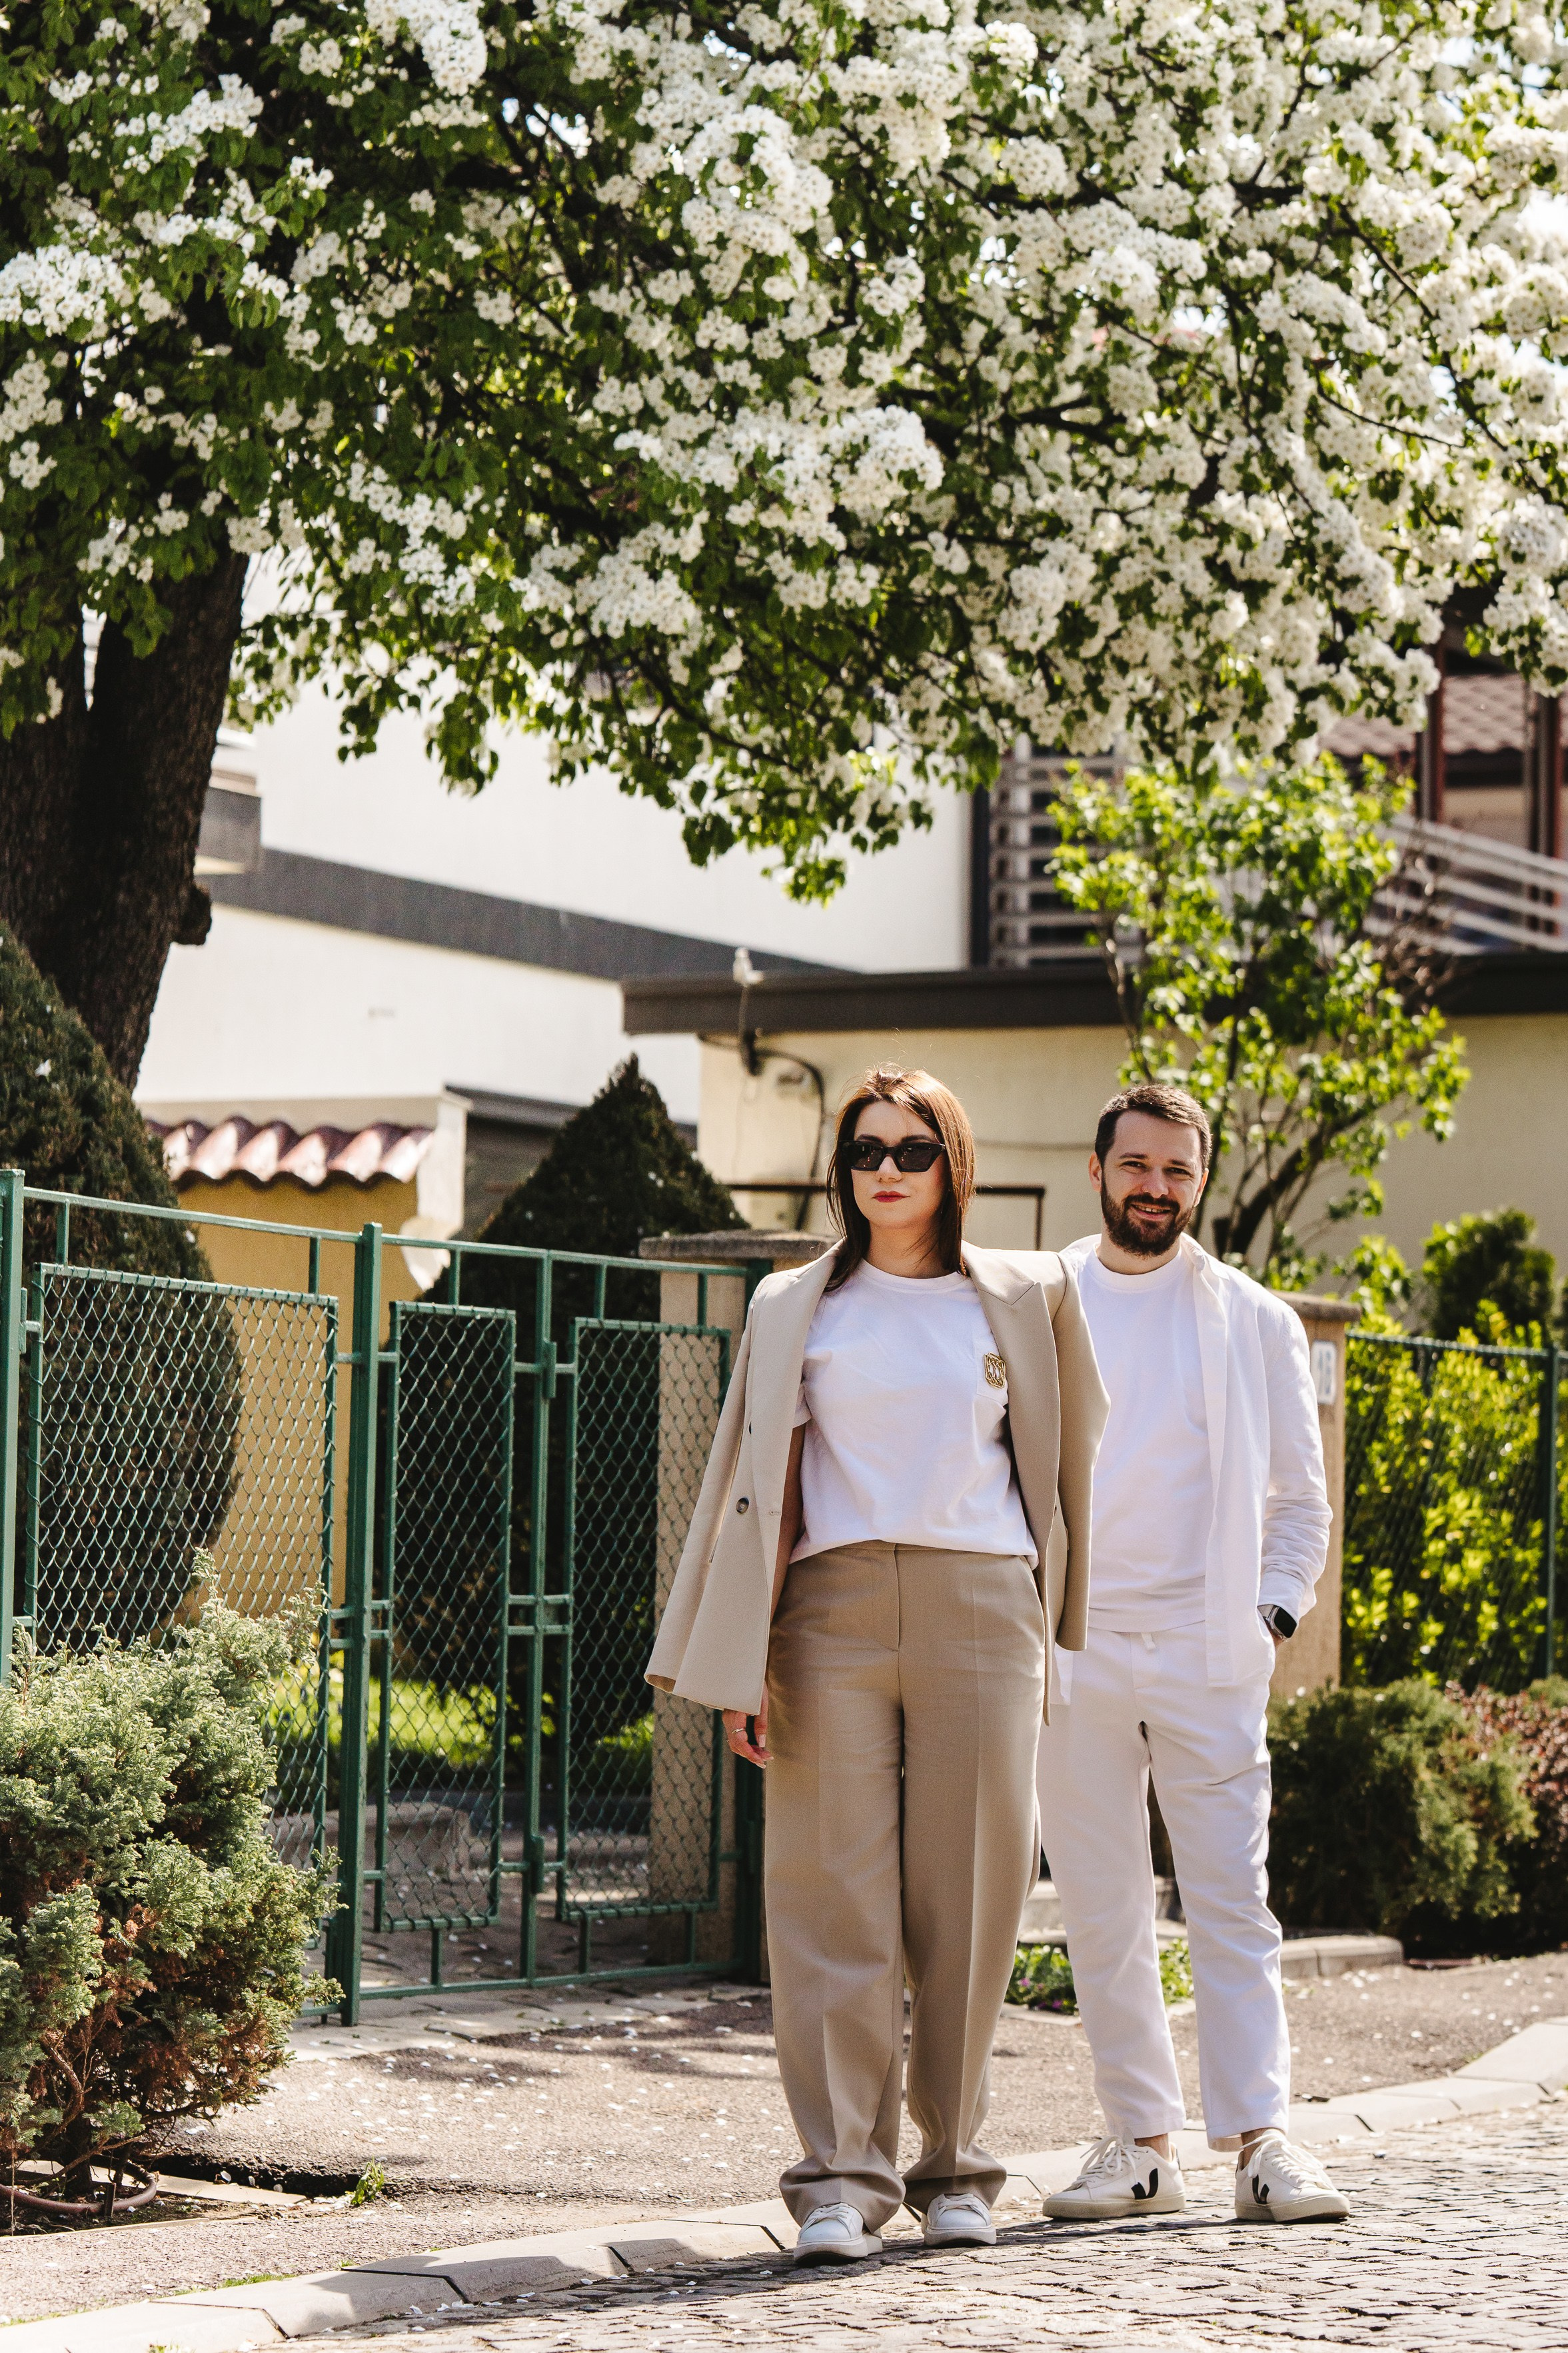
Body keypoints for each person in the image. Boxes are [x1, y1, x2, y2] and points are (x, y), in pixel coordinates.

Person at [647, 1066, 1106, 2264]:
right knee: (825, 1899)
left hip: (981, 1605)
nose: (886, 1170)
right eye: (864, 1151)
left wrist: (1063, 1608)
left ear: (953, 1158)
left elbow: (1074, 1453)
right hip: (829, 1614)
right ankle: (840, 2182)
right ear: (842, 1169)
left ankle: (956, 2168)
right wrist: (741, 1657)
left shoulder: (1024, 1292)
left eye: (911, 1148)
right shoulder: (793, 1303)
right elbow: (754, 1489)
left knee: (968, 1901)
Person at [1037, 1081, 1349, 2226]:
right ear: (1098, 1169)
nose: (1155, 1187)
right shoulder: (1040, 1298)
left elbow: (1297, 1504)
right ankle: (1139, 2145)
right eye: (1138, 1166)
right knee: (1103, 1907)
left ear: (1198, 1181)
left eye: (1177, 1170)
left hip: (1209, 1655)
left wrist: (1266, 1615)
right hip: (1074, 1651)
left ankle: (1264, 2142)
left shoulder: (1253, 1318)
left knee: (1232, 1902)